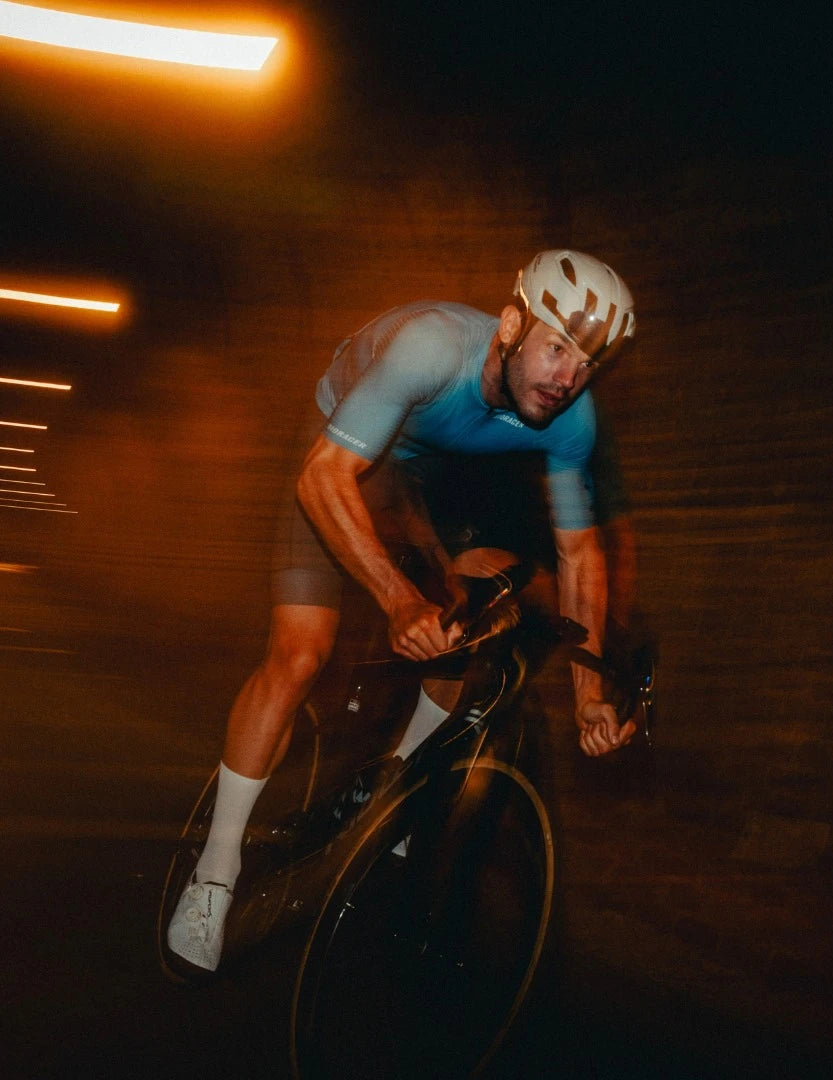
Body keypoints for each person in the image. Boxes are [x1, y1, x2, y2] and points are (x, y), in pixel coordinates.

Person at [167, 250, 637, 972]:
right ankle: (215, 873)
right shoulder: (432, 347)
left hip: (430, 473)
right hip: (343, 454)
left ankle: (393, 786)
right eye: (556, 348)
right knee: (300, 652)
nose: (568, 377)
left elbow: (581, 558)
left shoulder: (569, 414)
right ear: (511, 325)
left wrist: (589, 693)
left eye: (586, 363)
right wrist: (397, 599)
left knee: (476, 611)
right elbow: (322, 480)